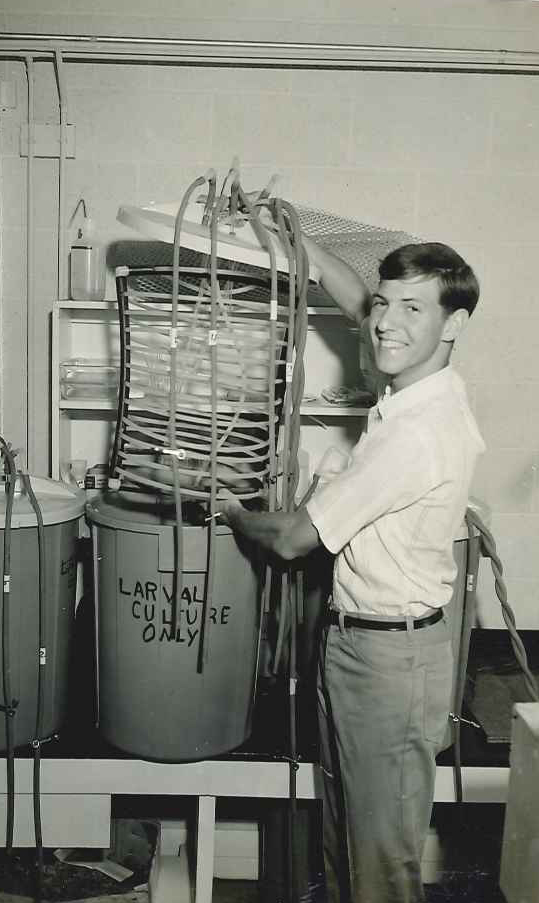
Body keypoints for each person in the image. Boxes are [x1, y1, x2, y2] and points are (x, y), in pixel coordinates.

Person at [219, 239, 485, 903]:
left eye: (413, 308)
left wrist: (230, 511)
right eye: (385, 304)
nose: (385, 321)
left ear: (453, 324)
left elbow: (291, 538)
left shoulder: (415, 433)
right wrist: (297, 244)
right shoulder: (415, 395)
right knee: (343, 843)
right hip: (359, 646)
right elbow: (354, 296)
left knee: (379, 870)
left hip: (390, 665)